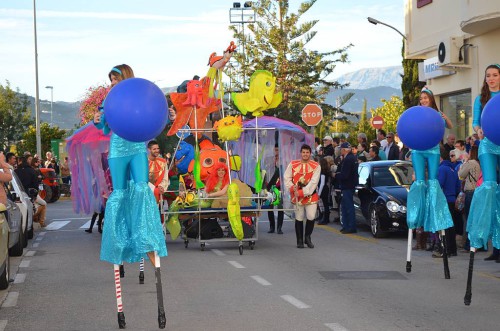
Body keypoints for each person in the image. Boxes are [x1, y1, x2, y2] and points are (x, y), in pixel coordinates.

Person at [93, 64, 167, 328]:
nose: (112, 82)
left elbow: (151, 118)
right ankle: (118, 240)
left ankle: (145, 235)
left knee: (141, 188)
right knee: (120, 193)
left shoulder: (137, 94)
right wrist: (97, 117)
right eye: (110, 78)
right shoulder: (109, 100)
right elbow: (103, 128)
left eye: (115, 78)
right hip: (117, 148)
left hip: (137, 146)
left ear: (125, 77)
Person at [407, 87, 454, 253]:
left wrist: (444, 116)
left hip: (433, 150)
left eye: (426, 98)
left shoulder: (436, 114)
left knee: (433, 183)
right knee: (419, 182)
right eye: (421, 98)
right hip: (418, 150)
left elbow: (449, 125)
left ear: (431, 99)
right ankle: (416, 214)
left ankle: (436, 214)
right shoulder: (417, 113)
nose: (423, 100)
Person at [467, 64, 500, 255]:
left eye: (495, 75)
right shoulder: (481, 99)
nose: (491, 78)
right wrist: (477, 129)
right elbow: (475, 122)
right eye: (488, 75)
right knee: (489, 186)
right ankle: (479, 231)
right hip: (487, 144)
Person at [284, 144, 320, 248]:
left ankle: (307, 237)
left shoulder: (316, 166)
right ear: (301, 153)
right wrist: (292, 188)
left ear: (310, 153)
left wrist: (301, 192)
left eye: (307, 152)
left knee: (311, 216)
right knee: (299, 218)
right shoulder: (292, 164)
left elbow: (314, 182)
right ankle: (299, 240)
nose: (305, 154)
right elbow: (287, 177)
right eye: (303, 152)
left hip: (310, 196)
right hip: (297, 196)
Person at [434, 152, 461, 257]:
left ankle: (446, 249)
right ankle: (453, 249)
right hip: (452, 199)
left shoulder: (442, 169)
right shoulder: (452, 169)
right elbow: (458, 186)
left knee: (444, 225)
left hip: (444, 199)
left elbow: (439, 184)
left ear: (440, 158)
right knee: (451, 225)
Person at [458, 145, 480, 252]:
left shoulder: (471, 163)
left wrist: (464, 163)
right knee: (476, 218)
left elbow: (461, 175)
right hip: (479, 191)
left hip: (470, 191)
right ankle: (479, 244)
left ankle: (469, 244)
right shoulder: (480, 163)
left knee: (469, 218)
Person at [334, 142, 359, 234]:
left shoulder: (348, 159)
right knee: (344, 206)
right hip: (349, 185)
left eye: (341, 149)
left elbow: (345, 175)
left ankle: (350, 226)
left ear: (344, 150)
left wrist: (336, 175)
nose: (340, 151)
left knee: (348, 207)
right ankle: (346, 226)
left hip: (347, 186)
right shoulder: (352, 158)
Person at [266, 145, 284, 234]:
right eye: (275, 150)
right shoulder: (269, 161)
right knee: (270, 207)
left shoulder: (283, 161)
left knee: (280, 207)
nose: (276, 152)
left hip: (280, 187)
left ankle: (279, 227)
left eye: (277, 150)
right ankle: (272, 226)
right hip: (270, 186)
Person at [317, 158, 331, 225]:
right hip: (325, 188)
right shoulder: (325, 171)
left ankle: (325, 219)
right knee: (325, 204)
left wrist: (319, 193)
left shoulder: (322, 172)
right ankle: (324, 218)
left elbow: (322, 183)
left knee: (324, 204)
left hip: (323, 189)